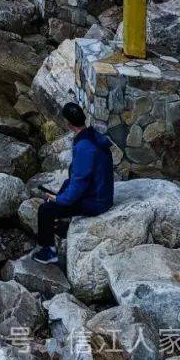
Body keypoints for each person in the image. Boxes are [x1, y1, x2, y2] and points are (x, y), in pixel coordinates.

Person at [32, 102, 114, 263]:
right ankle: (62, 227)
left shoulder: (84, 146)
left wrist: (60, 199)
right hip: (100, 193)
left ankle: (49, 251)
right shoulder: (93, 136)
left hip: (96, 202)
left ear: (69, 124)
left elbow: (79, 181)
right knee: (61, 191)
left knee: (45, 209)